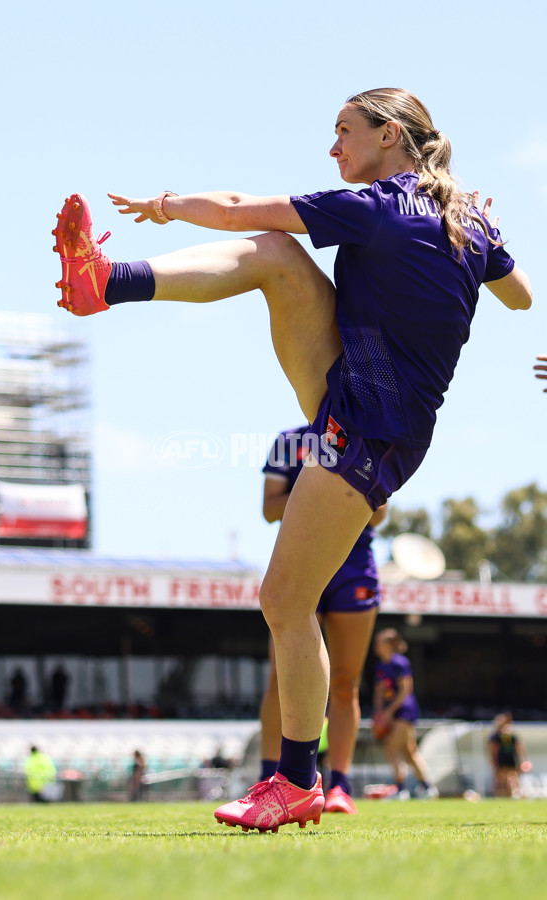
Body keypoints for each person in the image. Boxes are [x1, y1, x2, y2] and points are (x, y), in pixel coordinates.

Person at [53, 87, 531, 832]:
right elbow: (521, 297)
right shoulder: (464, 219)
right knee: (278, 255)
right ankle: (104, 282)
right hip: (360, 391)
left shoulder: (378, 207)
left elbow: (237, 208)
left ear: (391, 135)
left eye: (345, 131)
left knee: (283, 601)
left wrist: (167, 205)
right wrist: (479, 228)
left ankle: (297, 782)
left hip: (373, 426)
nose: (334, 148)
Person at [259, 424, 387, 814]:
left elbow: (379, 513)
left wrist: (325, 490)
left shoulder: (369, 434)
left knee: (347, 683)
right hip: (301, 558)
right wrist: (319, 490)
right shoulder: (289, 442)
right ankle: (269, 777)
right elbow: (269, 509)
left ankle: (340, 786)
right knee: (281, 677)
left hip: (354, 567)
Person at [372, 628, 437, 799]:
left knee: (391, 747)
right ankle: (427, 787)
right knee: (409, 751)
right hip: (390, 713)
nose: (376, 646)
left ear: (390, 645)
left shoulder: (400, 663)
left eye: (380, 642)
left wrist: (389, 712)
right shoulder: (380, 666)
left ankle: (401, 789)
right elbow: (379, 692)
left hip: (404, 712)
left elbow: (405, 690)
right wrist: (379, 713)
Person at [488, 712, 532, 798]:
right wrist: (493, 760)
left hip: (511, 760)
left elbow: (519, 748)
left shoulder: (512, 736)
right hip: (500, 761)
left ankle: (512, 796)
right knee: (501, 780)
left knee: (512, 779)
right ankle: (500, 796)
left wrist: (523, 760)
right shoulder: (496, 736)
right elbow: (493, 749)